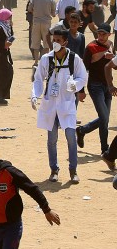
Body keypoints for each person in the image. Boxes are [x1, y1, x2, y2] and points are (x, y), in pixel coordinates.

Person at [32, 27, 88, 183]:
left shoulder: (74, 59)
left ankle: (73, 170)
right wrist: (35, 95)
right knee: (52, 139)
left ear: (65, 42)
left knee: (71, 137)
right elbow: (38, 79)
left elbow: (83, 77)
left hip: (67, 104)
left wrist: (74, 85)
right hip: (50, 105)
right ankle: (54, 170)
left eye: (58, 40)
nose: (55, 43)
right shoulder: (46, 59)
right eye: (53, 40)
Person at [76, 24, 114, 153]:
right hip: (95, 85)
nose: (101, 36)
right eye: (99, 34)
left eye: (104, 34)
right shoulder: (91, 47)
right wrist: (81, 90)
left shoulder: (111, 45)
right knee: (104, 118)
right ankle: (105, 149)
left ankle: (82, 130)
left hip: (108, 86)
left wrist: (112, 58)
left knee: (105, 118)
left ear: (109, 34)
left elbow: (114, 66)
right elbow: (83, 69)